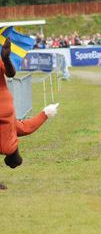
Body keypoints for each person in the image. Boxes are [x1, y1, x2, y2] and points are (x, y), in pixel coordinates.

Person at [0, 38, 59, 190]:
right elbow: (26, 127)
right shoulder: (12, 134)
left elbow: (11, 73)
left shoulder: (11, 134)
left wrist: (5, 58)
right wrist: (45, 113)